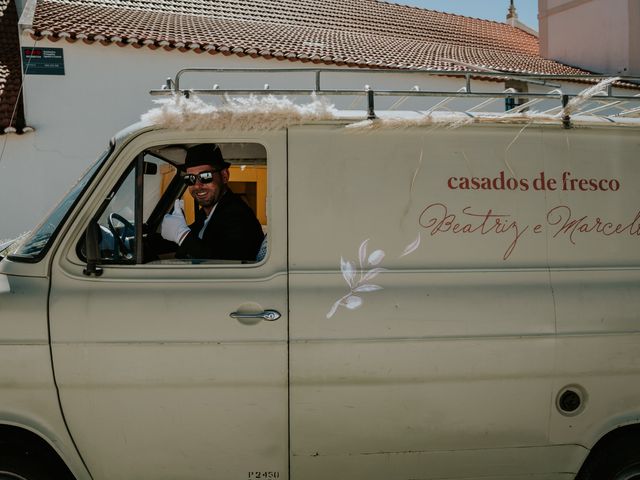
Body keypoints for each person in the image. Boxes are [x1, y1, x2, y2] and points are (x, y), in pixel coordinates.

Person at [160, 144, 264, 261]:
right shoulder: (206, 214)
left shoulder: (239, 216)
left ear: (224, 176)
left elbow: (226, 265)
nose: (197, 186)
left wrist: (182, 235)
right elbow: (191, 239)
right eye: (190, 178)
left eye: (205, 176)